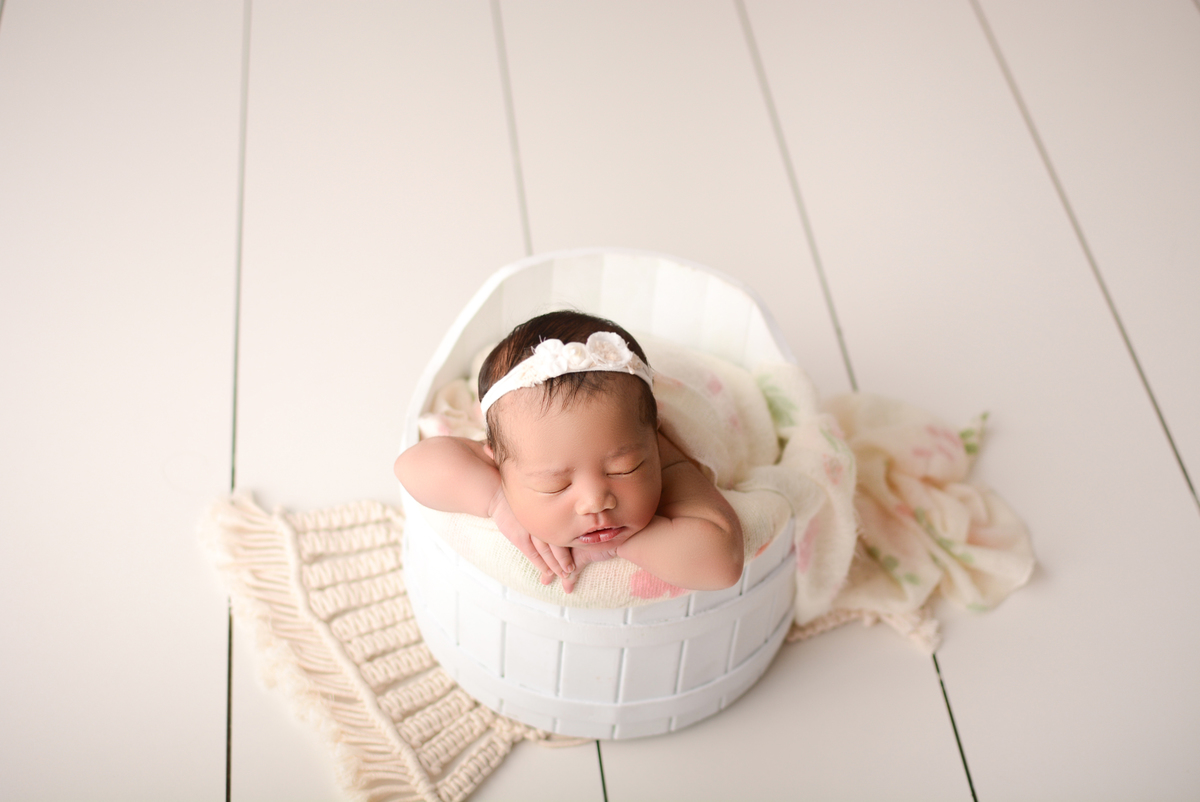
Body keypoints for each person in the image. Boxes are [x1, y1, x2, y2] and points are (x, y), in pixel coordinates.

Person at [394, 310, 744, 593]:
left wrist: (614, 547)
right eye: (554, 485)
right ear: (497, 461)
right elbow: (410, 466)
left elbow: (723, 563)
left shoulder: (658, 452)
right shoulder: (524, 446)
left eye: (623, 469)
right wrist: (498, 501)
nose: (595, 501)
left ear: (653, 438)